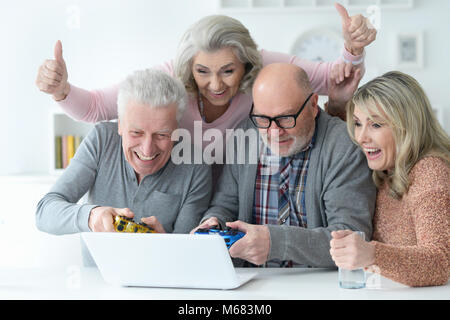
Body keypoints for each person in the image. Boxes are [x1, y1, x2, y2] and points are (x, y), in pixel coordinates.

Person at [35, 4, 376, 154]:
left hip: (237, 192)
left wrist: (352, 49)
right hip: (184, 191)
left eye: (228, 71)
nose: (216, 85)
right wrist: (61, 90)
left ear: (245, 64)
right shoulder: (169, 77)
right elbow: (95, 107)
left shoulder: (264, 66)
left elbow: (332, 78)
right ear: (188, 68)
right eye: (203, 72)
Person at [195, 63, 376, 268]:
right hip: (251, 282)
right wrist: (213, 222)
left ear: (313, 105)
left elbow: (350, 237)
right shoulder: (246, 135)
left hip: (316, 284)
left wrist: (276, 242)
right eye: (263, 119)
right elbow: (225, 205)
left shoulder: (343, 146)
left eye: (285, 119)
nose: (274, 131)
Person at [36, 69, 212, 264]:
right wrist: (92, 216)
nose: (147, 150)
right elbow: (44, 212)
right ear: (120, 125)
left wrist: (166, 244)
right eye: (136, 132)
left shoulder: (196, 166)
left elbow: (187, 258)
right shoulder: (102, 140)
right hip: (97, 285)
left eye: (162, 135)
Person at [329, 71, 450, 287]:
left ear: (407, 126)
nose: (361, 138)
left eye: (376, 124)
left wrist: (371, 254)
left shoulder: (430, 172)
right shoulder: (387, 166)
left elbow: (440, 262)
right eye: (357, 123)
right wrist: (337, 103)